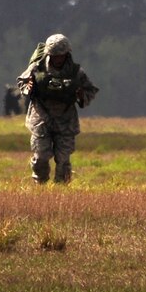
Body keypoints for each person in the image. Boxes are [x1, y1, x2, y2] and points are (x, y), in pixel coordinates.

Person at [16, 33, 98, 183]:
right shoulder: (37, 68)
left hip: (65, 121)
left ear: (67, 54)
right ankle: (40, 186)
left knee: (63, 161)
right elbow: (22, 82)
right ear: (49, 54)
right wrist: (28, 87)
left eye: (61, 55)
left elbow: (90, 90)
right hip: (41, 119)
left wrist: (80, 95)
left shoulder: (76, 72)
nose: (58, 59)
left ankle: (61, 193)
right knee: (41, 157)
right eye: (54, 55)